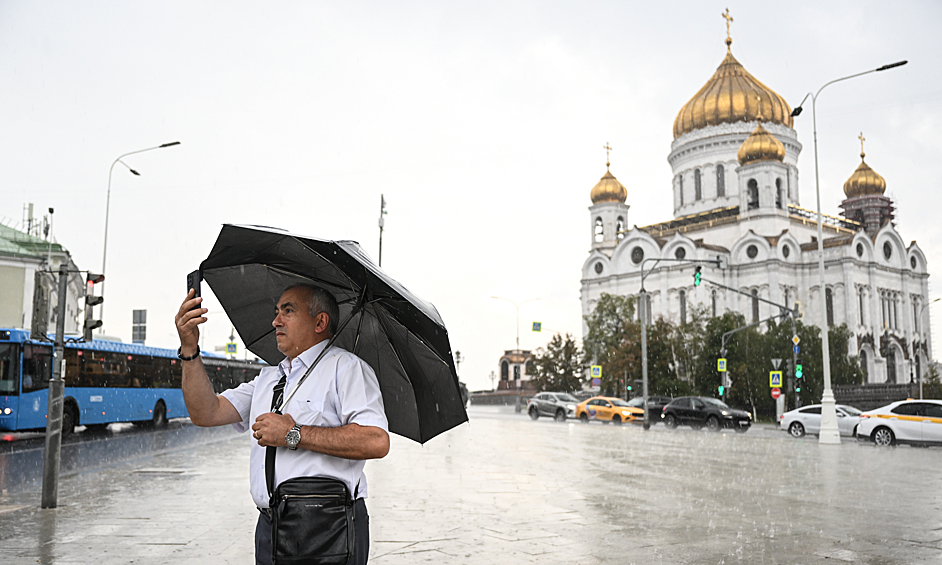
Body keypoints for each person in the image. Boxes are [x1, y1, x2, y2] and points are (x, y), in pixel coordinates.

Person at [174, 284, 389, 565]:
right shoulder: (269, 379)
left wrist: (293, 434)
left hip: (329, 526)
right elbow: (206, 413)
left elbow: (375, 440)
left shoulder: (347, 369)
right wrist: (190, 349)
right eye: (277, 312)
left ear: (320, 322)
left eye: (288, 311)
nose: (276, 320)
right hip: (270, 524)